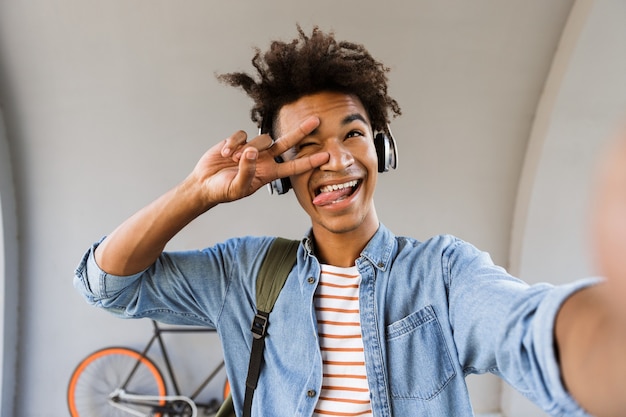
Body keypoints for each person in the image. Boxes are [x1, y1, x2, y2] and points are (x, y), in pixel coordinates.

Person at [74, 26, 626, 417]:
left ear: (381, 148)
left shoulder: (442, 272)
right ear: (285, 173)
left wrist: (608, 336)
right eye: (308, 148)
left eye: (353, 135)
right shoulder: (245, 274)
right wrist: (198, 193)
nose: (335, 160)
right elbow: (108, 285)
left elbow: (527, 330)